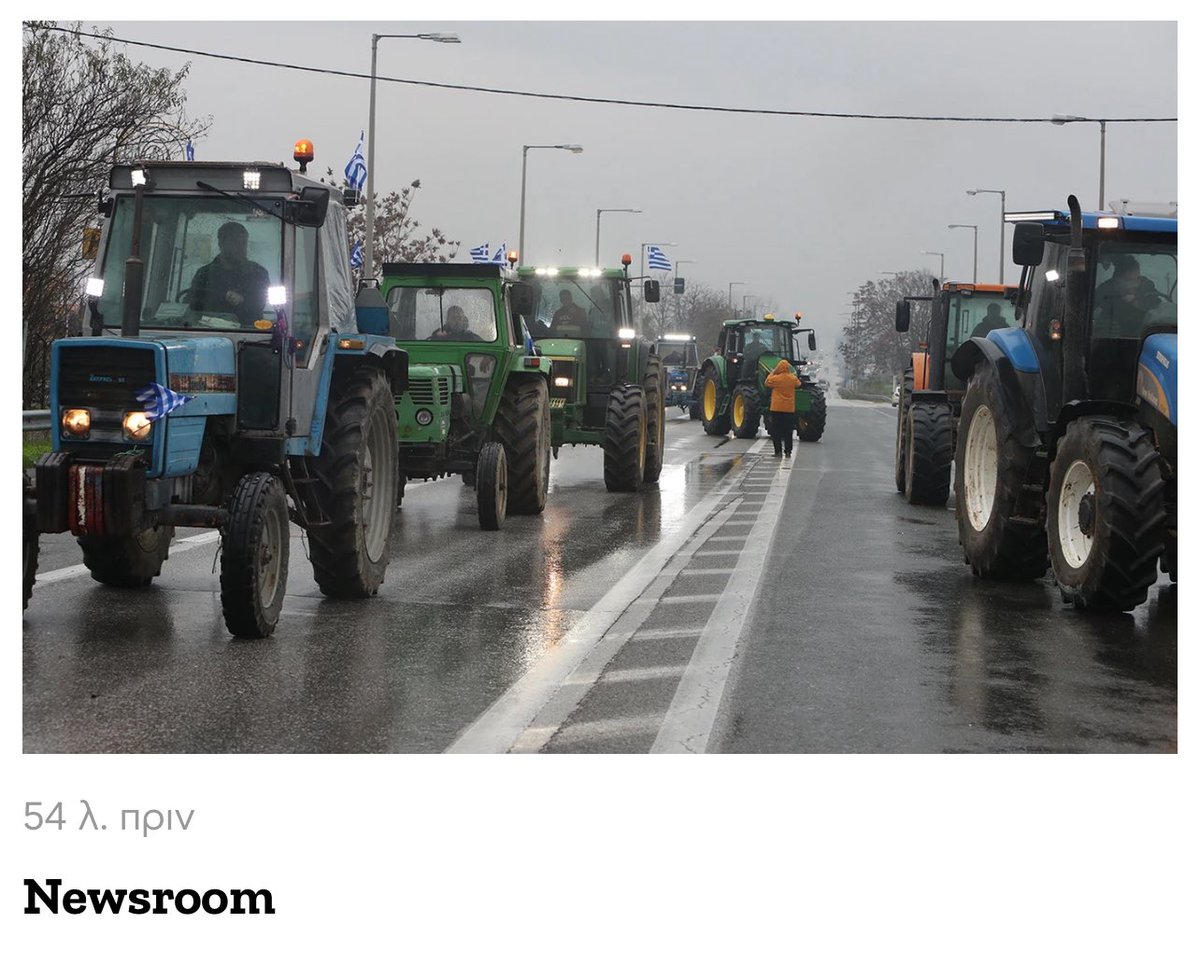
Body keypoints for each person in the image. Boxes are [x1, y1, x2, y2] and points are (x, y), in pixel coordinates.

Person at [189, 222, 270, 325]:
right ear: (221, 244)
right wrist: (222, 296)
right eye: (235, 242)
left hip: (250, 334)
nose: (241, 247)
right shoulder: (204, 274)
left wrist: (242, 301)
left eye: (243, 242)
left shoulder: (258, 273)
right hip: (207, 333)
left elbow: (259, 305)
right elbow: (192, 305)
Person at [1092, 255, 1163, 336]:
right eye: (1129, 280)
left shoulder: (1146, 285)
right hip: (1111, 335)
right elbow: (1091, 310)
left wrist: (1135, 301)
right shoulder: (1104, 289)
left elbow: (1156, 305)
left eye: (1137, 278)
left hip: (1143, 334)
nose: (1135, 284)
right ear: (1118, 278)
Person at [764, 359, 800, 457]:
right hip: (789, 409)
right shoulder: (792, 379)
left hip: (777, 409)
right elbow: (798, 384)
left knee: (776, 431)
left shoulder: (775, 379)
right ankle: (788, 451)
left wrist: (773, 372)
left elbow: (767, 382)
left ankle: (778, 451)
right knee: (788, 431)